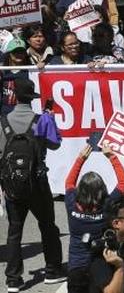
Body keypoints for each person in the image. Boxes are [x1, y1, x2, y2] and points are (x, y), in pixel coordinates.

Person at [2, 76, 66, 291]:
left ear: (14, 97)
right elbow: (55, 144)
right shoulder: (42, 120)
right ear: (32, 98)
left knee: (14, 231)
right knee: (48, 226)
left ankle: (13, 279)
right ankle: (52, 270)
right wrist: (50, 119)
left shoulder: (2, 122)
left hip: (11, 185)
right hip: (38, 183)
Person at [65, 142, 124, 293]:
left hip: (76, 267)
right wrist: (111, 156)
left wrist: (81, 159)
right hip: (99, 267)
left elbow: (69, 182)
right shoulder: (106, 206)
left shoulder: (71, 201)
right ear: (102, 190)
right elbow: (123, 182)